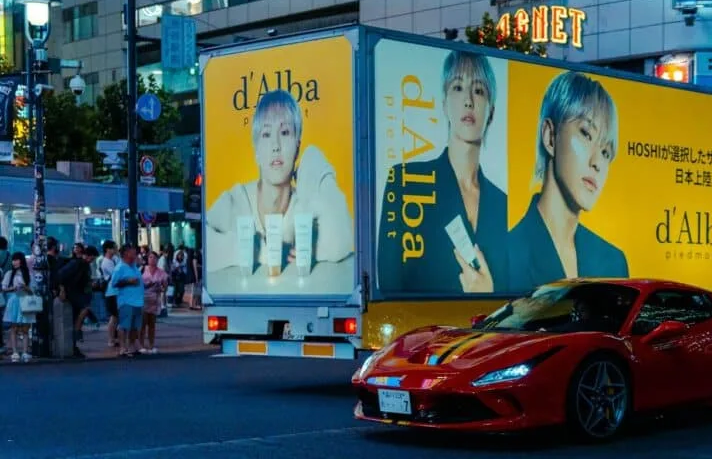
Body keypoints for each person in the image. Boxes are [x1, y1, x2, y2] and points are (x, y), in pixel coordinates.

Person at [377, 50, 508, 294]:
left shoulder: (504, 206)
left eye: (479, 90)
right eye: (458, 87)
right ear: (444, 103)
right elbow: (388, 284)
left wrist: (487, 293)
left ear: (491, 112)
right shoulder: (405, 181)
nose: (468, 100)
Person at [205, 89, 354, 276]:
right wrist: (250, 251)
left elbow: (343, 240)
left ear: (297, 146)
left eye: (284, 132)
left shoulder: (304, 206)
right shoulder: (237, 201)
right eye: (266, 134)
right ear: (256, 149)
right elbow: (204, 247)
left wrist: (315, 162)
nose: (276, 145)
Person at [508, 71, 626, 292]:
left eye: (606, 152)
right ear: (550, 136)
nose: (597, 162)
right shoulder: (506, 255)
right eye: (586, 134)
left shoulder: (613, 262)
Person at [58, 245, 99, 357]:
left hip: (79, 293)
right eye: (92, 258)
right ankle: (77, 330)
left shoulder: (85, 266)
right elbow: (61, 275)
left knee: (80, 312)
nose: (92, 261)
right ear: (88, 256)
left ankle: (76, 337)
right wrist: (62, 290)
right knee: (85, 309)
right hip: (73, 292)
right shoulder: (76, 263)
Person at [106, 245, 144, 358]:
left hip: (137, 301)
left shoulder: (133, 266)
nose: (135, 254)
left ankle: (132, 346)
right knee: (123, 325)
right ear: (126, 254)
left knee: (134, 325)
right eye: (133, 252)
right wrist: (128, 281)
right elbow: (114, 283)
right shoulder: (120, 268)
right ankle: (123, 348)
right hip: (126, 301)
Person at [2, 253, 35, 362]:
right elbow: (3, 288)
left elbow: (32, 291)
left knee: (25, 328)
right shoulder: (9, 274)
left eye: (16, 260)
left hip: (25, 302)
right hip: (14, 301)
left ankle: (25, 352)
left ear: (21, 261)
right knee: (14, 328)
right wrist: (13, 288)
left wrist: (25, 287)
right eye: (13, 260)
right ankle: (15, 352)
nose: (14, 262)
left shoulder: (28, 274)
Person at [139, 253, 168, 354]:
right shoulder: (142, 270)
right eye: (150, 257)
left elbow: (165, 287)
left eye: (154, 258)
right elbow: (138, 285)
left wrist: (160, 288)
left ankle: (151, 345)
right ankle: (141, 345)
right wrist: (147, 285)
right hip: (143, 299)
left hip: (155, 300)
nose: (152, 259)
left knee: (152, 324)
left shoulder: (161, 273)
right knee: (143, 323)